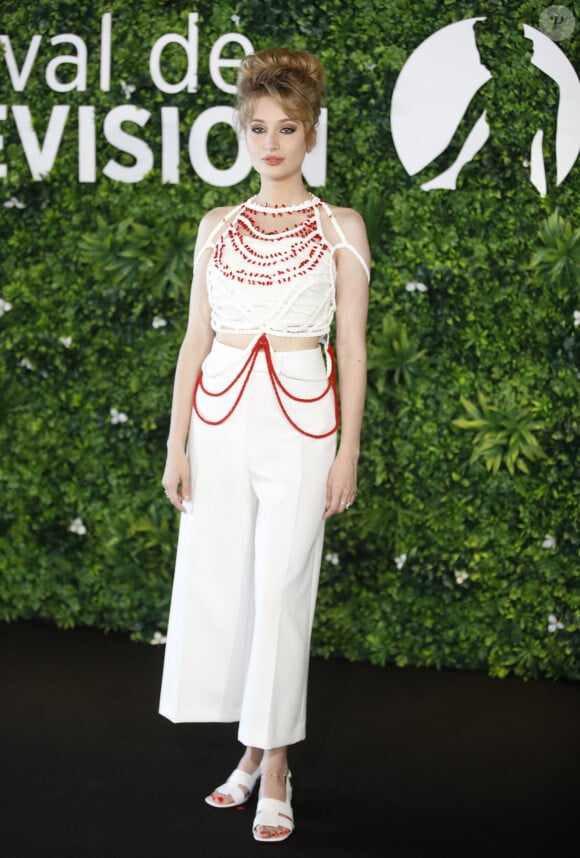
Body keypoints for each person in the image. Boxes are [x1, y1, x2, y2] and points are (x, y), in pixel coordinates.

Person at [159, 47, 370, 843]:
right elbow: (192, 340)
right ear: (243, 134)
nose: (272, 142)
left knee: (283, 592)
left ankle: (274, 769)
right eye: (258, 128)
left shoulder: (341, 228)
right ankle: (252, 751)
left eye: (287, 127)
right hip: (217, 421)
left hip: (304, 425)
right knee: (230, 587)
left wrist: (348, 451)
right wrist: (176, 444)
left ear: (311, 135)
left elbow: (351, 347)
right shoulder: (217, 226)